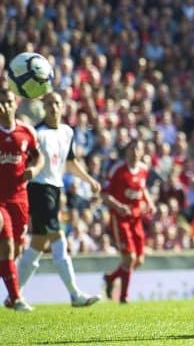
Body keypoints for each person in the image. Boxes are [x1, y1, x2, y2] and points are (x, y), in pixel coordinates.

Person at [17, 92, 102, 307]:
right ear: (43, 107)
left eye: (56, 103)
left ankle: (13, 294)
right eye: (48, 103)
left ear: (62, 106)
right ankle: (74, 294)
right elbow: (27, 163)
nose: (53, 107)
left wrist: (89, 179)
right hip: (39, 188)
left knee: (38, 243)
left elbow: (70, 163)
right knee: (58, 238)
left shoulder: (67, 132)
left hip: (55, 189)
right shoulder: (38, 133)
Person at [0, 87, 44, 311]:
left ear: (15, 103)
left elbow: (39, 157)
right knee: (6, 244)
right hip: (0, 201)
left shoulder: (26, 131)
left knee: (15, 250)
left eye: (9, 102)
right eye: (2, 102)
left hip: (19, 198)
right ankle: (17, 299)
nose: (5, 106)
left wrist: (35, 170)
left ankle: (11, 297)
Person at [102, 139, 155, 304]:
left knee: (139, 260)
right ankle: (124, 297)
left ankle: (111, 278)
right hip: (120, 220)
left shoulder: (144, 169)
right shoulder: (117, 170)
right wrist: (118, 207)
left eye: (137, 149)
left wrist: (150, 202)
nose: (134, 153)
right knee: (130, 258)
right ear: (127, 152)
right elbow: (104, 194)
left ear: (142, 152)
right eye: (131, 149)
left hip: (136, 218)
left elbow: (142, 188)